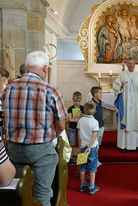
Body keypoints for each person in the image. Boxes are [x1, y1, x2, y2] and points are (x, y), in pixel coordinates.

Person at [2, 51, 67, 206]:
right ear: (45, 69)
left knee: (20, 192)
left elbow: (4, 118)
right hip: (41, 151)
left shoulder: (8, 89)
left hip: (14, 150)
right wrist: (51, 135)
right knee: (42, 194)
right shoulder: (50, 90)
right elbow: (61, 125)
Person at [113, 58, 138, 152]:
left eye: (133, 63)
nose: (131, 65)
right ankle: (123, 146)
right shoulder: (122, 75)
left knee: (134, 122)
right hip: (125, 104)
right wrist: (120, 87)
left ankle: (134, 145)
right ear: (126, 64)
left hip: (136, 105)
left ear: (135, 64)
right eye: (129, 63)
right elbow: (115, 86)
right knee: (125, 121)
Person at [77, 101, 100, 195]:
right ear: (94, 111)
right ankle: (91, 186)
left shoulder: (81, 120)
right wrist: (90, 147)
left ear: (84, 110)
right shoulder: (94, 122)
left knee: (82, 167)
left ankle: (82, 185)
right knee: (92, 166)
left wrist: (79, 145)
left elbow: (79, 133)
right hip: (92, 148)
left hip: (83, 146)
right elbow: (94, 135)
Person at [67, 91, 84, 164]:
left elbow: (84, 118)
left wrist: (76, 118)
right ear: (73, 99)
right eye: (75, 101)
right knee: (71, 144)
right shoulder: (70, 108)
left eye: (78, 101)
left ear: (80, 100)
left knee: (81, 144)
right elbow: (69, 119)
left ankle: (81, 160)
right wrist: (78, 116)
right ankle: (70, 159)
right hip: (72, 129)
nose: (77, 102)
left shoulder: (82, 108)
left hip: (81, 129)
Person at [91, 86, 104, 166]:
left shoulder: (100, 102)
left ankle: (96, 159)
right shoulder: (91, 104)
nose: (101, 94)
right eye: (100, 93)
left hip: (101, 125)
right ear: (95, 95)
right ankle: (94, 160)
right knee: (94, 145)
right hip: (94, 127)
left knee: (98, 145)